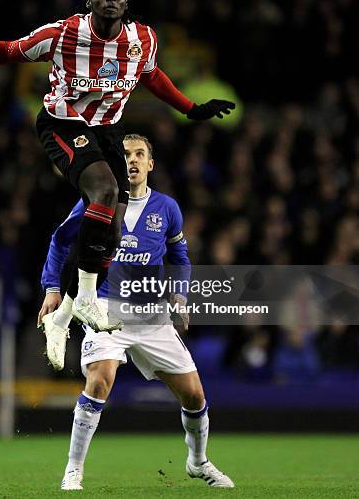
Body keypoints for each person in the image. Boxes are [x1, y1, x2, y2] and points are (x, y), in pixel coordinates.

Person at [0, 0, 235, 333]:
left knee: (115, 229)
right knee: (105, 191)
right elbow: (9, 51)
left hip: (107, 130)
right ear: (90, 1)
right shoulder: (63, 35)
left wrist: (191, 109)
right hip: (62, 124)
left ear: (126, 4)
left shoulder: (142, 40)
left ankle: (67, 310)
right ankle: (86, 295)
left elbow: (151, 75)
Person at [38, 134, 234, 490]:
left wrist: (180, 294)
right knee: (100, 380)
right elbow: (59, 240)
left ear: (150, 164)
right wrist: (52, 289)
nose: (132, 160)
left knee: (195, 396)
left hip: (152, 314)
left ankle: (198, 461)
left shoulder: (167, 209)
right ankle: (73, 470)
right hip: (105, 308)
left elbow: (180, 258)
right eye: (126, 154)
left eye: (139, 154)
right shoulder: (98, 200)